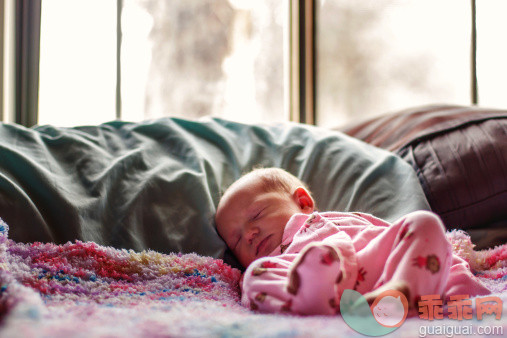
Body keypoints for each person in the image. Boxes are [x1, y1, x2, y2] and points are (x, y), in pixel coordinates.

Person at [215, 167, 490, 315]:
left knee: (424, 223)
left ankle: (400, 292)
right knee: (253, 278)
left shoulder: (347, 219)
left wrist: (451, 271)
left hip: (382, 269)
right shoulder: (274, 263)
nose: (249, 234)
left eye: (257, 215)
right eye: (236, 240)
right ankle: (310, 297)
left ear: (302, 202)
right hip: (307, 281)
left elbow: (395, 237)